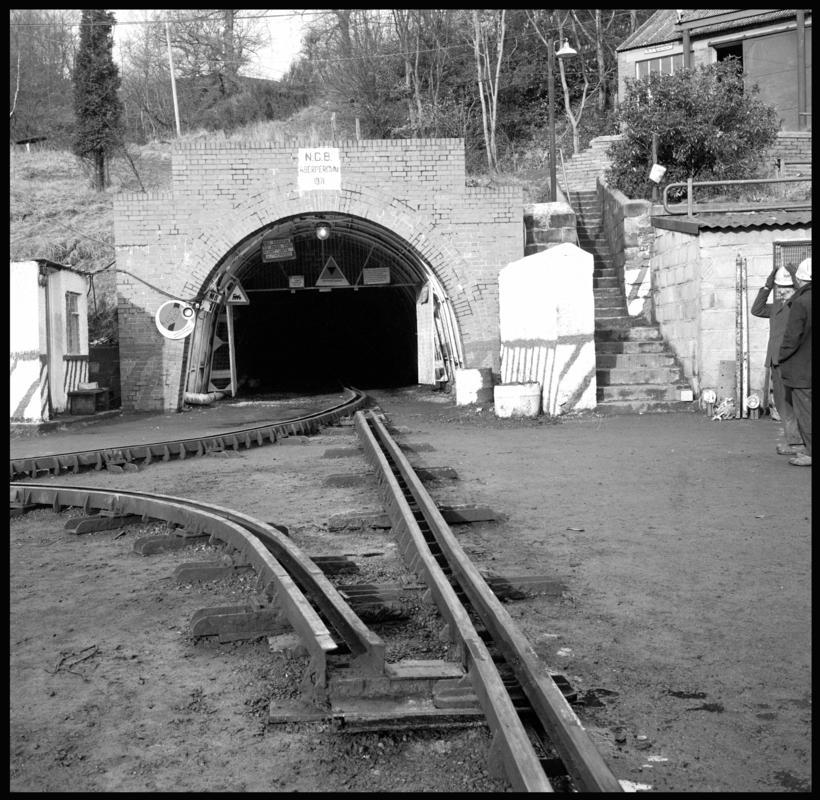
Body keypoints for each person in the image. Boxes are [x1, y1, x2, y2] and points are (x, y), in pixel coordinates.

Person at [751, 262, 804, 454]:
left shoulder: (798, 306)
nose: (781, 292)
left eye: (786, 289)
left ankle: (799, 442)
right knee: (782, 404)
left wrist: (794, 278)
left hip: (790, 361)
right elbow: (756, 310)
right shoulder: (775, 308)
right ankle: (793, 441)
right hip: (775, 361)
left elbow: (803, 295)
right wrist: (767, 286)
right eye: (779, 289)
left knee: (796, 403)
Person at [778, 257, 812, 466]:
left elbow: (792, 338)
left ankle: (810, 453)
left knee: (805, 412)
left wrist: (782, 356)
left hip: (802, 370)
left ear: (799, 280)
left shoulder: (801, 302)